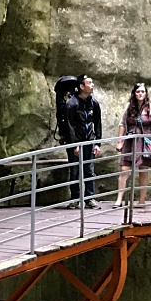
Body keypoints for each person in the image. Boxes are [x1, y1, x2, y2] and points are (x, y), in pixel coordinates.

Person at [55, 74, 103, 206]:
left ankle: (90, 198)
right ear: (81, 86)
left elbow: (97, 124)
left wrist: (98, 142)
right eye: (89, 83)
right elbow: (70, 126)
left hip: (89, 141)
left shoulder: (94, 103)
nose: (92, 85)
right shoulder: (72, 103)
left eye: (92, 82)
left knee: (89, 170)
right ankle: (75, 198)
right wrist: (74, 144)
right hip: (75, 142)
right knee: (75, 171)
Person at [115, 81, 151, 208]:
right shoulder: (129, 107)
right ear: (134, 93)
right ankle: (119, 199)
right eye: (137, 91)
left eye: (142, 91)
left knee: (143, 171)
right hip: (130, 142)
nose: (140, 94)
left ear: (146, 93)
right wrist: (120, 141)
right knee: (124, 169)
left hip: (145, 143)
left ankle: (142, 200)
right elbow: (122, 124)